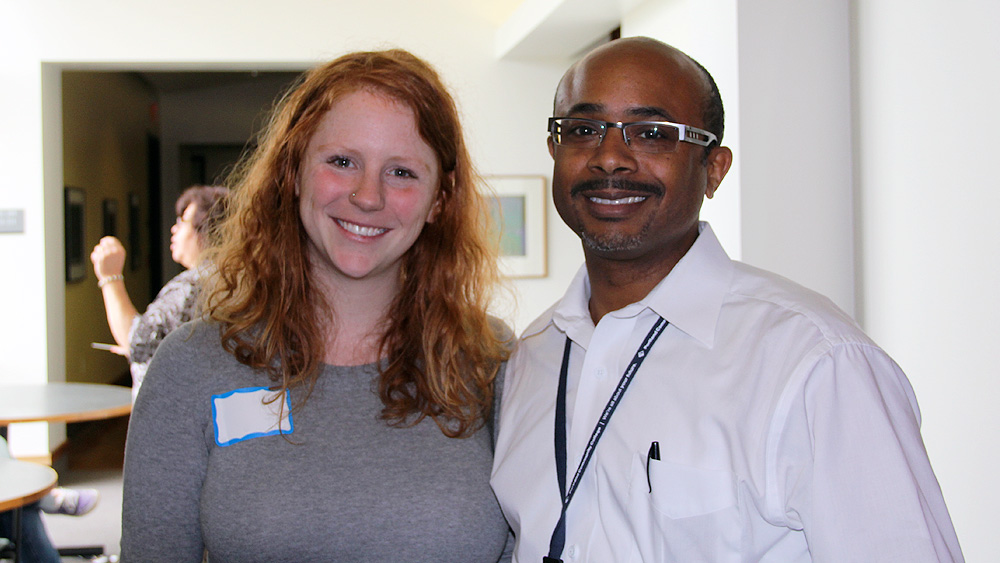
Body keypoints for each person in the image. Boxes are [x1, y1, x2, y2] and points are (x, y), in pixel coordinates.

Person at [490, 36, 964, 562]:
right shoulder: (531, 356)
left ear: (714, 168)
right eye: (583, 130)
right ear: (556, 150)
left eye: (651, 133)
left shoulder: (815, 362)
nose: (609, 158)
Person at [121, 49, 512, 562]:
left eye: (402, 172)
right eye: (342, 161)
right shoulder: (191, 367)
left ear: (441, 198)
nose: (367, 196)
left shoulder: (491, 361)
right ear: (293, 172)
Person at [91, 184, 229, 400]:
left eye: (181, 222)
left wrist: (110, 278)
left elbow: (137, 342)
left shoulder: (191, 287)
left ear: (205, 230)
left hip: (176, 414)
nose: (173, 229)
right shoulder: (234, 278)